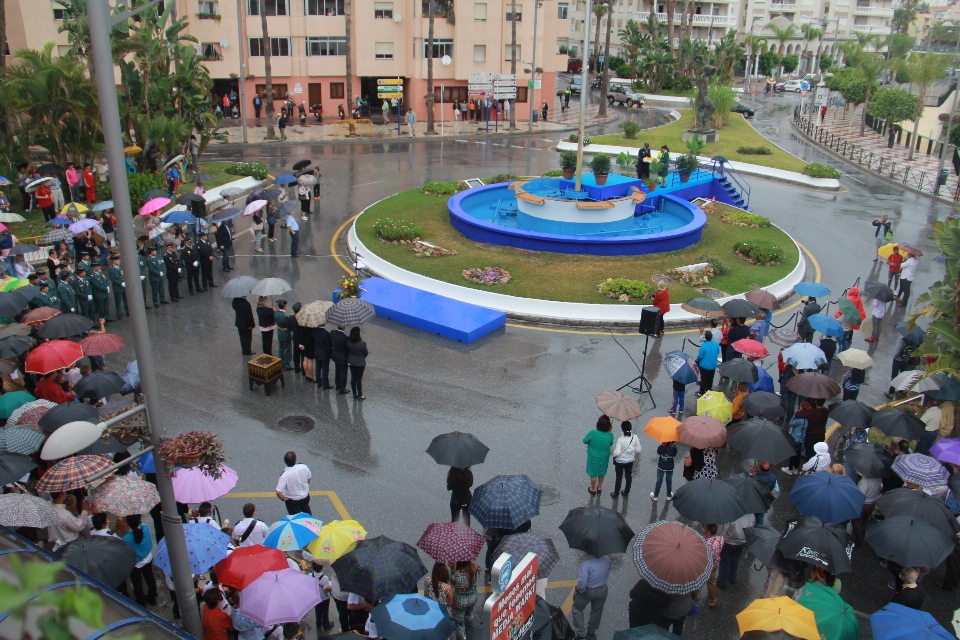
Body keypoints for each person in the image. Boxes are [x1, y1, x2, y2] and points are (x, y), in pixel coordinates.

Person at [117, 514, 158, 607]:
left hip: (136, 564)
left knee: (137, 584)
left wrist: (122, 528)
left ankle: (141, 602)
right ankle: (153, 597)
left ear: (127, 523)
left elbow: (121, 544)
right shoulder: (145, 528)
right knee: (150, 578)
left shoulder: (127, 538)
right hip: (147, 559)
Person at [571, 553, 610, 640]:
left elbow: (581, 585)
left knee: (577, 609)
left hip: (588, 591)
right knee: (597, 611)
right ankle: (591, 633)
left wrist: (578, 589)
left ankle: (580, 634)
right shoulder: (607, 559)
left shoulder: (586, 565)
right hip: (602, 590)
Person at [717, 512, 754, 590]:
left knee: (725, 561)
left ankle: (722, 581)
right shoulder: (750, 514)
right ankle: (732, 577)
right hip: (742, 541)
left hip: (729, 541)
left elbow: (722, 529)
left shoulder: (730, 513)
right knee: (735, 559)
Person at [583, 415, 614, 495]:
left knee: (593, 473)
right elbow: (610, 443)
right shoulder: (610, 435)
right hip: (604, 456)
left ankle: (593, 488)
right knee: (601, 472)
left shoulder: (593, 432)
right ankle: (599, 487)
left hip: (593, 455)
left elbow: (585, 441)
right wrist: (610, 432)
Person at [449, 560, 480, 640]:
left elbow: (452, 583)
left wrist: (452, 569)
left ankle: (462, 637)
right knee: (469, 614)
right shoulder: (474, 568)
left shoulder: (457, 574)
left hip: (460, 602)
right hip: (473, 598)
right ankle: (472, 631)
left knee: (459, 623)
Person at [276, 451, 312, 515]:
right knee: (306, 512)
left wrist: (283, 498)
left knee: (294, 517)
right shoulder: (304, 467)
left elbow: (278, 491)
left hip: (292, 501)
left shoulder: (284, 475)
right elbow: (309, 479)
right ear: (295, 460)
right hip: (305, 497)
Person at [610, 420, 641, 498]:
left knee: (619, 477)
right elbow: (638, 450)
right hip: (630, 460)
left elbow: (617, 452)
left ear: (622, 429)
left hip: (620, 461)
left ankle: (616, 493)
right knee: (628, 475)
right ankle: (626, 491)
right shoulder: (635, 437)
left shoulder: (620, 439)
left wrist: (613, 454)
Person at [703, 524, 724, 607]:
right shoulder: (720, 538)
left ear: (708, 532)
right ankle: (712, 600)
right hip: (715, 563)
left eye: (705, 528)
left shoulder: (706, 544)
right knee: (712, 581)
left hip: (705, 565)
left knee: (699, 583)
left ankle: (695, 601)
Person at [696, 331, 720, 396]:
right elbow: (717, 352)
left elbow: (700, 356)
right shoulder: (716, 344)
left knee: (703, 379)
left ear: (705, 338)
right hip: (713, 365)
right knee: (710, 378)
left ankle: (701, 391)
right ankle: (709, 389)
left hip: (704, 366)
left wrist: (697, 360)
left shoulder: (703, 346)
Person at [348, 326, 368, 399]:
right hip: (360, 363)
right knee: (359, 378)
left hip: (351, 362)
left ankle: (354, 393)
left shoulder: (349, 342)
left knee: (353, 377)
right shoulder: (362, 343)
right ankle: (360, 394)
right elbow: (365, 353)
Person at [330, 325, 349, 393]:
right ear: (344, 327)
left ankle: (337, 385)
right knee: (343, 372)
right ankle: (342, 388)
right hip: (343, 357)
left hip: (335, 355)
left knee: (337, 370)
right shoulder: (345, 338)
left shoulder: (332, 332)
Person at [275, 299, 293, 370]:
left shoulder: (276, 313)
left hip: (280, 332)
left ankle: (281, 362)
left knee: (281, 348)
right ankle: (286, 365)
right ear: (284, 306)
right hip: (285, 334)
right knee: (287, 350)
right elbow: (289, 326)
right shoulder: (284, 317)